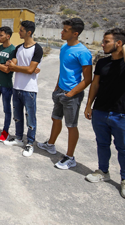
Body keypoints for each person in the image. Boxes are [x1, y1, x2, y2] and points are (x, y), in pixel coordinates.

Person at [84, 28, 125, 200]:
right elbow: (95, 85)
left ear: (118, 43)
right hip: (100, 111)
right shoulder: (103, 63)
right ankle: (103, 171)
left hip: (123, 114)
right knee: (102, 144)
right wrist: (89, 105)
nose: (102, 44)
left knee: (124, 149)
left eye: (106, 41)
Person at [37, 18, 92, 169]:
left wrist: (70, 93)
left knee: (71, 125)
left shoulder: (83, 52)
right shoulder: (63, 48)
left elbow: (88, 79)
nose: (61, 32)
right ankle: (50, 144)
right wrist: (56, 88)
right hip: (60, 90)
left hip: (72, 94)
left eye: (65, 30)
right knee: (55, 118)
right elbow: (63, 71)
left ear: (75, 33)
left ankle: (70, 157)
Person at [4, 21, 43, 157]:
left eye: (21, 30)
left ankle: (30, 143)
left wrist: (16, 67)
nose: (19, 32)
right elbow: (12, 64)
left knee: (30, 118)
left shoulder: (37, 49)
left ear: (29, 32)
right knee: (18, 116)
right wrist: (13, 65)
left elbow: (31, 69)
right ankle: (19, 139)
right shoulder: (18, 48)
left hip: (29, 89)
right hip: (17, 87)